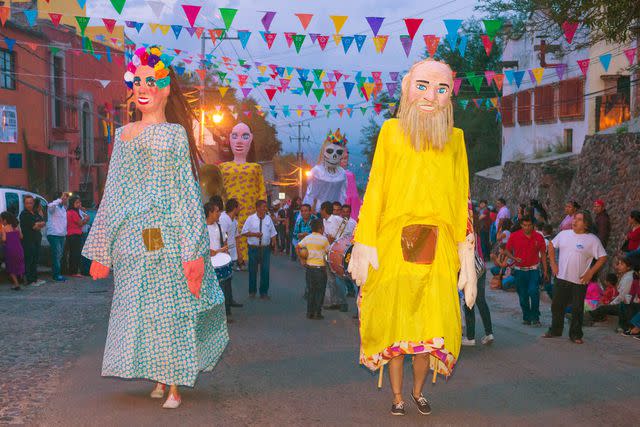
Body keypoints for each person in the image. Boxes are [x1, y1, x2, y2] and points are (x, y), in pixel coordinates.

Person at [82, 46, 228, 409]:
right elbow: (113, 192)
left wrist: (193, 250)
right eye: (138, 81)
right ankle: (160, 377)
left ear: (165, 89)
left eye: (151, 81)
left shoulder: (175, 135)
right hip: (133, 241)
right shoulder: (123, 135)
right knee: (142, 311)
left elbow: (186, 193)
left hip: (167, 237)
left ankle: (175, 381)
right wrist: (101, 250)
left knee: (171, 310)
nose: (143, 88)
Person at [348, 58, 476, 416]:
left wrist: (466, 252)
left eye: (440, 89)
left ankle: (418, 392)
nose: (430, 96)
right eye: (422, 86)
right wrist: (365, 241)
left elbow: (460, 195)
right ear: (407, 88)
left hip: (439, 249)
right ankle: (397, 397)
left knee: (428, 332)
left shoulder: (455, 140)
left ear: (450, 96)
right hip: (392, 245)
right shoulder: (391, 132)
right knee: (397, 330)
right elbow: (376, 188)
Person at [544, 211, 607, 344]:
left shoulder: (592, 240)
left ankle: (576, 335)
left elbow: (602, 257)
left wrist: (591, 272)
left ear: (586, 224)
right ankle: (555, 330)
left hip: (579, 281)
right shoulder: (564, 234)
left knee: (577, 308)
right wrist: (553, 263)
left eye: (578, 219)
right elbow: (551, 245)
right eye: (574, 219)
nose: (574, 221)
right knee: (556, 305)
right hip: (561, 277)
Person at [219, 123, 267, 269]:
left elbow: (261, 190)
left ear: (251, 139)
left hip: (250, 213)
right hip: (228, 213)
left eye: (244, 136)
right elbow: (219, 190)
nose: (239, 141)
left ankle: (246, 261)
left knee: (247, 236)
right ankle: (229, 260)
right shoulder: (223, 167)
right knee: (228, 236)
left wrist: (262, 211)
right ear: (229, 139)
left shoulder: (256, 168)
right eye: (235, 136)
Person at [505, 216, 548, 326]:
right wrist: (514, 258)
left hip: (534, 270)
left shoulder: (539, 237)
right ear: (521, 225)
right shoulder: (514, 236)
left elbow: (543, 254)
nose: (527, 227)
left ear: (533, 225)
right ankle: (526, 317)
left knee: (533, 292)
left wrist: (546, 270)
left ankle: (535, 317)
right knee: (523, 295)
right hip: (519, 270)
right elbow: (507, 251)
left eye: (529, 225)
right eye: (524, 225)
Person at [303, 129, 348, 213]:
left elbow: (342, 196)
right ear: (324, 152)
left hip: (336, 212)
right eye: (330, 151)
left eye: (339, 152)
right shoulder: (317, 171)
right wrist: (306, 213)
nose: (334, 156)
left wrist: (342, 212)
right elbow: (310, 194)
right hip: (319, 211)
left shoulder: (342, 174)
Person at [241, 199, 278, 299]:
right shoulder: (250, 219)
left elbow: (273, 233)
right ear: (257, 208)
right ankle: (252, 291)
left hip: (265, 249)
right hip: (253, 248)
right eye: (263, 207)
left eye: (265, 207)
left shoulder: (268, 219)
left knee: (265, 271)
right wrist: (254, 234)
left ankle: (264, 292)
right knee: (252, 271)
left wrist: (275, 246)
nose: (265, 209)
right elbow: (244, 232)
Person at [462, 236, 494, 346]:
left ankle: (470, 337)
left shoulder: (459, 235)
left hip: (468, 270)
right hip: (480, 268)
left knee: (468, 302)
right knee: (480, 301)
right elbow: (479, 252)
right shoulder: (475, 234)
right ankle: (489, 333)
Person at [296, 218, 330, 320]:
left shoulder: (307, 238)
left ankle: (309, 312)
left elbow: (297, 247)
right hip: (320, 269)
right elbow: (328, 252)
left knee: (311, 291)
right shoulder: (324, 239)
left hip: (309, 268)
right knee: (320, 291)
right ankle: (317, 313)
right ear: (321, 228)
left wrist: (301, 259)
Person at [587, 256, 634, 328]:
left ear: (628, 267)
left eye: (622, 264)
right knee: (602, 306)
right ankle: (592, 318)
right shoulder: (625, 276)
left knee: (603, 308)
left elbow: (621, 296)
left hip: (626, 306)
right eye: (619, 264)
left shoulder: (629, 278)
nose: (618, 267)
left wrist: (610, 304)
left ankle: (586, 318)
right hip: (622, 303)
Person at [205, 200, 233, 319]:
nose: (219, 214)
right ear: (210, 213)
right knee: (212, 290)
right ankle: (214, 314)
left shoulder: (219, 226)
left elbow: (224, 240)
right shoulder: (202, 228)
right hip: (208, 264)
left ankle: (225, 312)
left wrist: (225, 249)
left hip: (220, 261)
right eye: (217, 211)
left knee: (224, 288)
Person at [319, 201, 348, 312]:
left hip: (337, 253)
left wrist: (336, 241)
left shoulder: (337, 219)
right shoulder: (323, 221)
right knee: (330, 279)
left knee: (339, 278)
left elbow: (347, 233)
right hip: (327, 252)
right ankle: (333, 302)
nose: (320, 212)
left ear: (324, 209)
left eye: (321, 209)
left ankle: (343, 302)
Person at [219, 198, 243, 307]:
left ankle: (230, 300)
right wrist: (226, 252)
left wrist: (239, 254)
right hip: (225, 253)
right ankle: (226, 304)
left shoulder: (234, 221)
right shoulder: (224, 219)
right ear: (235, 208)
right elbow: (222, 237)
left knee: (229, 278)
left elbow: (237, 237)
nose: (240, 209)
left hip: (231, 253)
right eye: (239, 207)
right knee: (225, 281)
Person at [19, 195, 46, 286]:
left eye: (30, 203)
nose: (29, 205)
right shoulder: (24, 214)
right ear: (24, 204)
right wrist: (38, 224)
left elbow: (43, 222)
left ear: (33, 203)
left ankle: (34, 279)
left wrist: (39, 224)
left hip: (37, 239)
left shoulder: (34, 213)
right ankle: (29, 280)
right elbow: (34, 227)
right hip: (28, 241)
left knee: (35, 260)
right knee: (29, 260)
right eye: (27, 203)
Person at [46, 192, 69, 282]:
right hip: (54, 234)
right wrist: (59, 199)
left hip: (61, 235)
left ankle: (58, 273)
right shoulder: (53, 207)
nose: (65, 199)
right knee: (56, 255)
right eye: (63, 198)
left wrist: (64, 233)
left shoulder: (63, 208)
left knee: (59, 255)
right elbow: (50, 205)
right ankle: (56, 275)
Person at [1, 211, 25, 290]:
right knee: (19, 263)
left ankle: (16, 284)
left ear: (5, 220)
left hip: (10, 250)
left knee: (11, 267)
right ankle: (21, 276)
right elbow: (21, 237)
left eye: (1, 220)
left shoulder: (4, 228)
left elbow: (4, 239)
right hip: (18, 248)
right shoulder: (17, 227)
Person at [66, 197, 88, 278]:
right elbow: (80, 223)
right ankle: (74, 271)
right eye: (77, 203)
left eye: (79, 202)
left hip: (73, 235)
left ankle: (73, 271)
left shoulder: (72, 212)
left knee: (73, 253)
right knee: (75, 254)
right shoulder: (72, 212)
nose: (79, 204)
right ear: (72, 203)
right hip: (74, 235)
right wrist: (86, 219)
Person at [340, 146, 362, 220]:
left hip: (351, 205)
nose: (344, 161)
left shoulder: (350, 174)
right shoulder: (346, 175)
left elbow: (354, 196)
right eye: (342, 159)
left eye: (346, 158)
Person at [288, 197, 302, 261]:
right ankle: (294, 256)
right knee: (294, 242)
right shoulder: (290, 208)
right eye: (298, 200)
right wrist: (287, 228)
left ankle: (301, 256)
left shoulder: (302, 208)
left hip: (301, 227)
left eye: (300, 200)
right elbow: (287, 219)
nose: (299, 201)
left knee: (301, 242)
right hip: (292, 227)